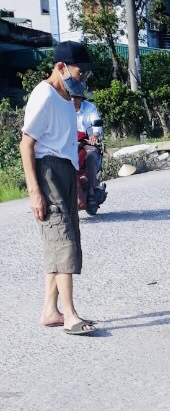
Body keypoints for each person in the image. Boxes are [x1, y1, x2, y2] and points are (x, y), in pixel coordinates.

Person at [20, 41, 97, 335]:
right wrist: (34, 192)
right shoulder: (44, 95)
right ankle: (70, 315)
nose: (83, 77)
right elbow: (26, 144)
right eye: (80, 71)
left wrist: (77, 186)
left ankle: (50, 310)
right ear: (61, 67)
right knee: (62, 241)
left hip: (65, 170)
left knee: (65, 239)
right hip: (47, 170)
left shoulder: (67, 99)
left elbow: (67, 146)